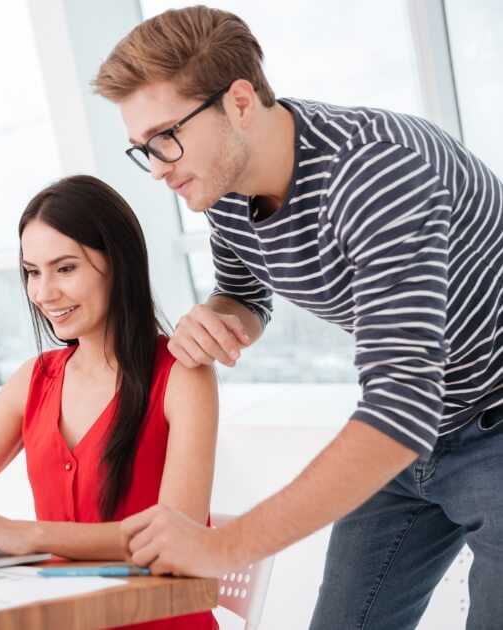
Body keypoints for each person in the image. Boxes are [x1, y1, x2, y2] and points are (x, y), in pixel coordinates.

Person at [93, 6, 503, 630]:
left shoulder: (377, 174)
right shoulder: (222, 186)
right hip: (415, 435)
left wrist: (223, 548)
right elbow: (245, 291)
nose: (157, 167)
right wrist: (219, 316)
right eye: (142, 148)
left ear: (238, 102)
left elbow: (400, 407)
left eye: (165, 137)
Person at [0, 174, 219, 630]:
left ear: (118, 263)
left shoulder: (182, 375)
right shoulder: (34, 380)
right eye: (33, 272)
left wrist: (27, 535)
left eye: (65, 269)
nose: (44, 293)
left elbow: (178, 534)